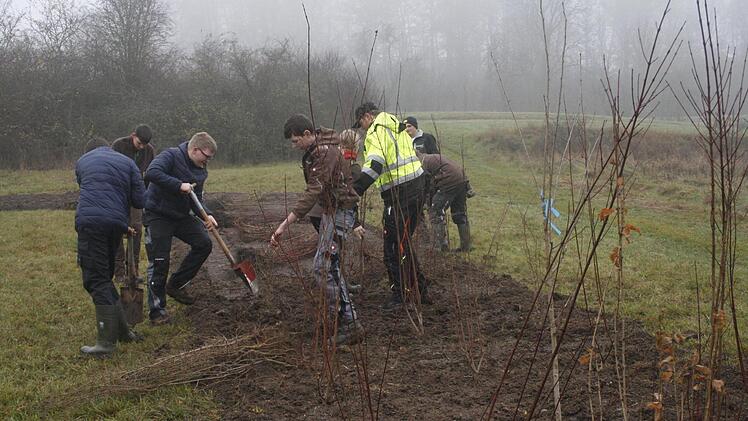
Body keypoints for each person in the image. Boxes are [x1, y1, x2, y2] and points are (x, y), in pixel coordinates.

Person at [271, 115, 363, 346]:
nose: (294, 147)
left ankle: (349, 323)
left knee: (322, 266)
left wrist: (285, 224)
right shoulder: (318, 150)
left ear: (307, 134)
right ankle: (343, 318)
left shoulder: (325, 153)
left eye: (295, 141)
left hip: (341, 212)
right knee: (329, 266)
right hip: (331, 211)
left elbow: (314, 189)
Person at [353, 103, 430, 310]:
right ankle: (420, 290)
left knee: (393, 247)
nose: (362, 129)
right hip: (418, 186)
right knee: (403, 242)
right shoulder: (396, 123)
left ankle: (400, 297)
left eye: (361, 123)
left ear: (367, 116)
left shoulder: (375, 131)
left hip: (399, 193)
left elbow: (374, 167)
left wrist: (354, 191)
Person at [76, 137, 146, 358]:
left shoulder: (83, 161)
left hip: (91, 224)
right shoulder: (128, 163)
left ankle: (106, 344)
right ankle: (125, 333)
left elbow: (85, 186)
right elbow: (139, 200)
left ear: (90, 150)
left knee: (96, 280)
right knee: (104, 279)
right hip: (116, 224)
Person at [143, 132, 218, 325]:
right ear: (194, 150)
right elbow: (151, 173)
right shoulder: (171, 156)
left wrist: (207, 214)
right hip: (157, 214)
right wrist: (178, 185)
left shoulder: (201, 170)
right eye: (206, 156)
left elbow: (197, 198)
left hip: (180, 216)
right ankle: (157, 311)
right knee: (160, 261)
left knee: (203, 244)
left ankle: (176, 285)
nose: (207, 161)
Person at [112, 124, 156, 281]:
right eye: (139, 143)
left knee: (136, 229)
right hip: (118, 194)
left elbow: (150, 174)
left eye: (144, 144)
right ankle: (119, 272)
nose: (141, 147)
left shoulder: (149, 151)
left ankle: (133, 269)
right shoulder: (119, 145)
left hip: (137, 195)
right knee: (117, 228)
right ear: (133, 135)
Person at [404, 116, 476, 199]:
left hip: (429, 170)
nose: (407, 129)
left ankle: (466, 187)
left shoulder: (427, 138)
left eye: (409, 126)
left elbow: (436, 155)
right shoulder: (404, 141)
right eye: (405, 127)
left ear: (415, 126)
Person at [418, 152, 472, 252]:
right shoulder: (432, 157)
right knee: (460, 214)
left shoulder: (421, 162)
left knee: (435, 212)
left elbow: (427, 185)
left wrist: (427, 202)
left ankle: (439, 247)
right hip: (462, 179)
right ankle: (466, 246)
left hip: (449, 181)